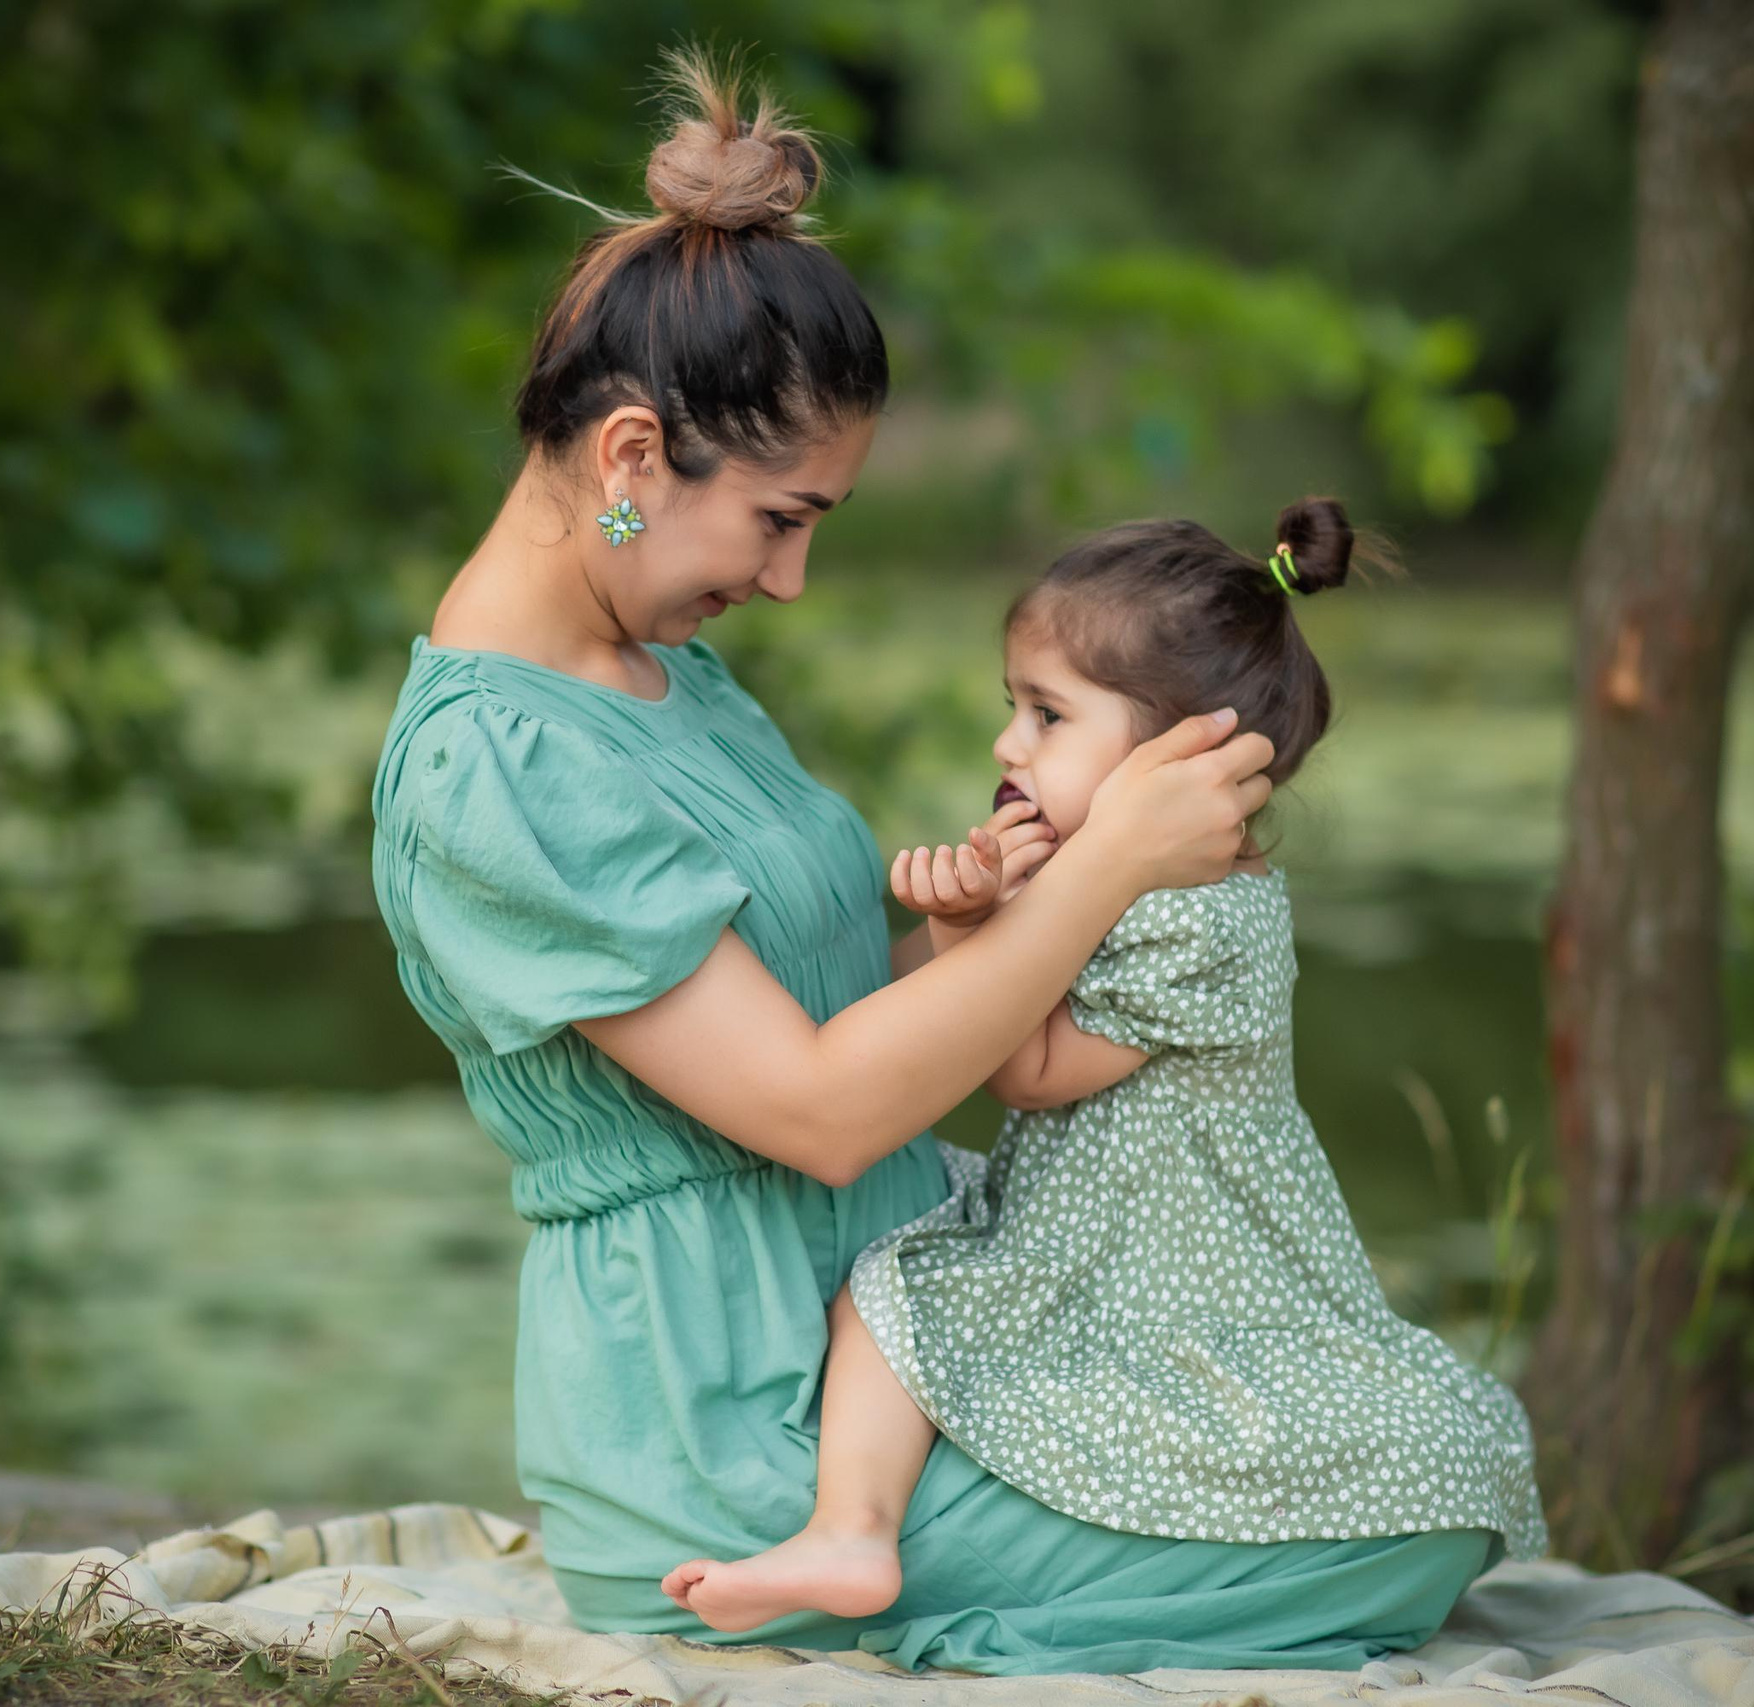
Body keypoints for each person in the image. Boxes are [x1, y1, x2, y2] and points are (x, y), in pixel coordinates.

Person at [372, 52, 1525, 1675]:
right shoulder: (500, 769)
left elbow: (876, 1008)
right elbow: (825, 1108)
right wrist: (1105, 864)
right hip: (737, 1409)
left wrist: (971, 913)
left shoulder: (665, 674)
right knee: (1396, 1527)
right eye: (780, 517)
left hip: (923, 1294)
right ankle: (869, 1563)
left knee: (1432, 1438)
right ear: (631, 460)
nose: (792, 579)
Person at [658, 500, 1546, 1635]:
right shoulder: (1106, 876)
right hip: (1088, 1217)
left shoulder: (1203, 919)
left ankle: (867, 1533)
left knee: (905, 1293)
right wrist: (987, 910)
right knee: (886, 1294)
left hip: (1170, 1258)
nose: (1007, 746)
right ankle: (850, 1533)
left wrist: (972, 932)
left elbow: (1025, 1071)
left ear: (1184, 754)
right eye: (1012, 708)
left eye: (1046, 715)